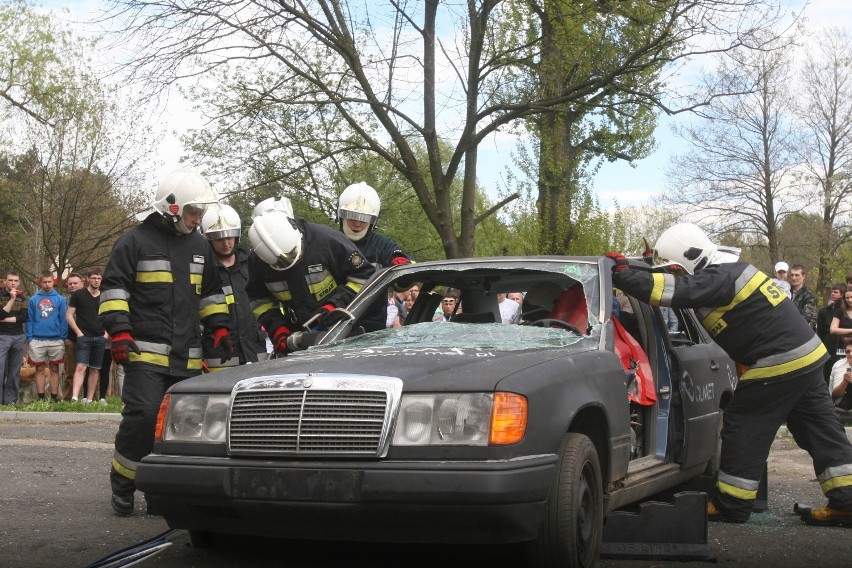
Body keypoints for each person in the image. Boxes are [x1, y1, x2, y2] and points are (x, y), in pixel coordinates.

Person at [606, 222, 852, 527]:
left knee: (743, 423)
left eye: (677, 268)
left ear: (689, 258)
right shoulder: (728, 270)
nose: (676, 274)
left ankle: (732, 504)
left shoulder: (719, 278)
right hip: (807, 357)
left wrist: (621, 274)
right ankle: (847, 501)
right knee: (820, 429)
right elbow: (675, 281)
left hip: (780, 361)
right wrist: (634, 267)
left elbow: (670, 291)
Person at [99, 168, 233, 516]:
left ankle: (164, 492)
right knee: (143, 417)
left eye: (201, 213)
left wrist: (219, 327)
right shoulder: (134, 241)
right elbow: (114, 290)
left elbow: (212, 294)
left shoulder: (200, 245)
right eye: (194, 211)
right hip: (144, 353)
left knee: (185, 428)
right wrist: (120, 332)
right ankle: (124, 483)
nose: (198, 218)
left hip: (187, 357)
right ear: (172, 207)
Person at [246, 207, 376, 356]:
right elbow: (259, 300)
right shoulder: (257, 261)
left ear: (296, 233)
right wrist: (278, 329)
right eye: (279, 264)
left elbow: (364, 276)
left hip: (345, 329)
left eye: (293, 253)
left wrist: (334, 305)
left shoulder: (326, 240)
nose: (287, 263)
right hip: (299, 339)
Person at [336, 182, 413, 332]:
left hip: (371, 329)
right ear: (341, 214)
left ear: (373, 220)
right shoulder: (328, 241)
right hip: (332, 324)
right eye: (352, 215)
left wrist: (402, 263)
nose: (357, 223)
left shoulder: (382, 245)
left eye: (364, 218)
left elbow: (402, 264)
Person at [200, 204, 268, 372]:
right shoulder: (203, 271)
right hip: (219, 356)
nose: (226, 243)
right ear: (208, 239)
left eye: (230, 236)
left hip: (256, 353)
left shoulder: (253, 265)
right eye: (219, 238)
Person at [26, 270, 67, 401]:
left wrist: (62, 337)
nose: (47, 284)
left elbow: (63, 320)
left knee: (55, 369)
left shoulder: (60, 299)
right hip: (37, 339)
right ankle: (41, 398)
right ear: (40, 282)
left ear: (53, 282)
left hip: (56, 339)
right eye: (45, 282)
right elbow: (30, 319)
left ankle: (54, 398)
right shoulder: (33, 299)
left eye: (50, 282)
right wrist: (30, 338)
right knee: (39, 369)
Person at [66, 267, 106, 402]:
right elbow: (69, 315)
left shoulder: (105, 296)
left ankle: (89, 400)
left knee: (95, 369)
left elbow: (110, 316)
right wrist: (78, 332)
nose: (96, 281)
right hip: (84, 337)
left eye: (99, 278)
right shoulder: (78, 295)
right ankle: (75, 397)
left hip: (100, 337)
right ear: (88, 279)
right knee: (81, 366)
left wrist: (106, 334)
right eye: (94, 278)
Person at [0, 271, 28, 405]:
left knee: (14, 371)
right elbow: (0, 314)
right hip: (2, 336)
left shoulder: (23, 298)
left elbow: (23, 318)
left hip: (18, 336)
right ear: (5, 281)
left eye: (15, 281)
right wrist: (11, 299)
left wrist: (5, 319)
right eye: (10, 280)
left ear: (19, 282)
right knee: (0, 370)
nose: (13, 283)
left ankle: (10, 400)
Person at [61, 272, 85, 399]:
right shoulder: (64, 301)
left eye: (75, 283)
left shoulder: (90, 298)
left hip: (88, 339)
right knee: (70, 371)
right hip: (70, 339)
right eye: (70, 284)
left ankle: (92, 399)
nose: (72, 286)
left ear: (82, 283)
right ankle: (67, 400)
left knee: (91, 370)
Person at [818, 284, 845, 384]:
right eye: (832, 291)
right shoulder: (824, 312)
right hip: (827, 349)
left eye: (836, 292)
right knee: (827, 375)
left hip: (842, 349)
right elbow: (820, 333)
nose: (832, 294)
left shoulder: (846, 312)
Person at [789, 264, 817, 329]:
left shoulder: (809, 296)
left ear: (803, 276)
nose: (794, 278)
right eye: (792, 275)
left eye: (797, 275)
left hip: (799, 330)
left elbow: (807, 317)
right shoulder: (784, 291)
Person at [829, 345, 852, 413]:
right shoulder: (840, 365)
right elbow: (836, 394)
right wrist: (845, 381)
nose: (851, 354)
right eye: (848, 351)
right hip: (841, 401)